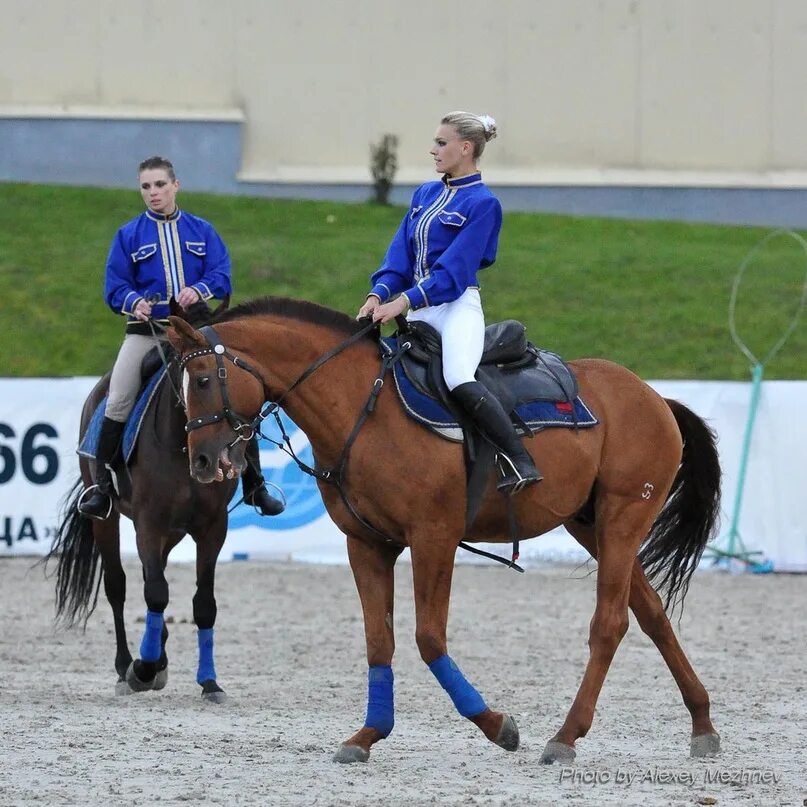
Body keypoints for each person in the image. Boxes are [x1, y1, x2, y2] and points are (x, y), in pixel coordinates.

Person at [79, 155, 284, 519]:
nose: (153, 193)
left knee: (239, 391)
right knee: (119, 396)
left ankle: (255, 484)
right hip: (149, 332)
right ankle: (102, 487)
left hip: (199, 332)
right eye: (146, 186)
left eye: (160, 184)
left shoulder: (202, 230)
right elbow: (114, 286)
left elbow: (222, 272)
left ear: (176, 185)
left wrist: (200, 289)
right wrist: (134, 301)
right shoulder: (128, 236)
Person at [357, 112, 542, 494]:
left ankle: (518, 459)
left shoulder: (483, 204)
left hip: (456, 307)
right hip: (417, 308)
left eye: (441, 143)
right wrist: (378, 294)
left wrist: (403, 301)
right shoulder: (425, 194)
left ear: (465, 148)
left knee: (458, 376)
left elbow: (455, 272)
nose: (433, 149)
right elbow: (399, 258)